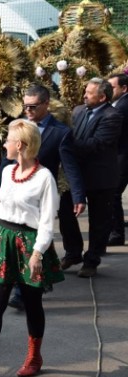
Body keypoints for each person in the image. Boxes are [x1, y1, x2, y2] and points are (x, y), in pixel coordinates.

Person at [0, 119, 64, 377]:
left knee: (32, 304)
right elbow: (3, 209)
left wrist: (38, 253)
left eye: (7, 140)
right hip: (2, 240)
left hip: (30, 244)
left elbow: (46, 221)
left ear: (20, 145)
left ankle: (34, 358)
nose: (4, 143)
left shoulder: (44, 178)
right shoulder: (8, 172)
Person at [0, 84, 85, 310]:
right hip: (16, 190)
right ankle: (29, 281)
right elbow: (6, 161)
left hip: (41, 194)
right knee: (19, 239)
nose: (28, 110)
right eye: (25, 106)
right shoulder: (18, 125)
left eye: (33, 107)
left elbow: (70, 166)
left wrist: (78, 196)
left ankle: (22, 290)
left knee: (35, 239)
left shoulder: (60, 132)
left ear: (46, 104)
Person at [61, 77, 123, 278]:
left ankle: (91, 260)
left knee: (99, 222)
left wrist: (66, 145)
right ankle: (73, 253)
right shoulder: (78, 110)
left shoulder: (112, 116)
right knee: (65, 213)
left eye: (89, 93)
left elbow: (97, 144)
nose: (84, 95)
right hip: (75, 175)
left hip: (100, 178)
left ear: (102, 97)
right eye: (85, 91)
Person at [107, 73, 128, 247]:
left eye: (112, 87)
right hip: (121, 155)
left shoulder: (122, 106)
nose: (109, 90)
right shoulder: (119, 104)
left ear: (124, 88)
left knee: (114, 193)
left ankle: (116, 233)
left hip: (123, 156)